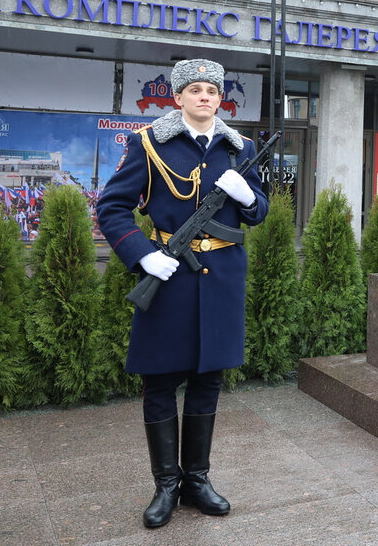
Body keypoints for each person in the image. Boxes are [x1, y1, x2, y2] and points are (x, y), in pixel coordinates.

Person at [97, 59, 269, 529]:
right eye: (194, 89)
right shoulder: (150, 144)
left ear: (220, 98)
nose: (205, 96)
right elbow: (111, 208)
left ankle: (197, 480)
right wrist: (141, 255)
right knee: (159, 381)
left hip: (223, 278)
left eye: (212, 90)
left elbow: (259, 214)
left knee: (207, 380)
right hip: (169, 275)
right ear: (178, 97)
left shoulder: (241, 148)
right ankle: (166, 486)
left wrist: (249, 198)